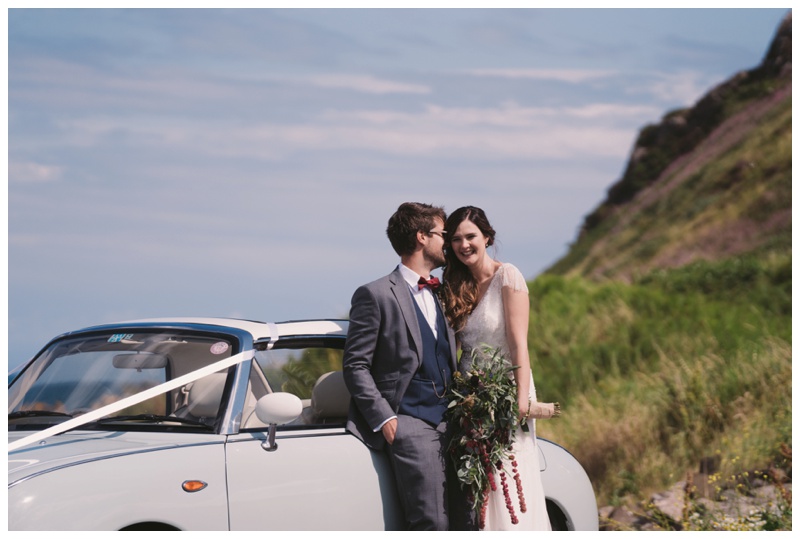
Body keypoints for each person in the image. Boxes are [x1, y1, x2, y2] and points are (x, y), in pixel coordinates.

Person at [342, 202, 465, 530]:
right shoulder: (376, 294)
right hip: (409, 422)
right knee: (431, 523)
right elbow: (355, 365)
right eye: (444, 234)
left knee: (467, 521)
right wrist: (386, 419)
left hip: (453, 423)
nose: (449, 241)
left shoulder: (442, 292)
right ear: (422, 237)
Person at [440, 206, 559, 531]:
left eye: (470, 236)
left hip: (506, 394)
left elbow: (519, 344)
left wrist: (521, 401)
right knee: (480, 488)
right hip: (471, 400)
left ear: (487, 237)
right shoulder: (454, 285)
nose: (464, 244)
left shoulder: (508, 276)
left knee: (510, 481)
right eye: (456, 239)